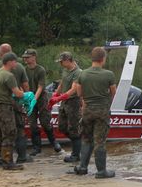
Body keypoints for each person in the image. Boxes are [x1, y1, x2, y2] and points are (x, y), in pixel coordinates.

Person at [0, 43, 33, 165]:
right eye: (15, 61)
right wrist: (29, 96)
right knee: (10, 133)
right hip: (6, 107)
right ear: (9, 61)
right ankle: (8, 161)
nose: (16, 64)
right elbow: (18, 92)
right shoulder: (9, 75)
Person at [72, 46, 117, 178]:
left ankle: (82, 167)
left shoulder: (82, 74)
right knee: (100, 141)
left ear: (92, 58)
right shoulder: (109, 74)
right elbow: (114, 93)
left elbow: (79, 92)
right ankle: (101, 171)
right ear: (103, 59)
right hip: (102, 111)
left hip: (87, 111)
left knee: (86, 139)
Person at [22, 49, 62, 157]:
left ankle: (54, 143)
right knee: (32, 124)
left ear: (34, 57)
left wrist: (34, 99)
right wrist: (27, 99)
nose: (26, 59)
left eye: (28, 57)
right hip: (29, 97)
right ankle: (36, 147)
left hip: (41, 97)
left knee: (45, 122)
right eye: (25, 57)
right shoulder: (24, 70)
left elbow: (40, 86)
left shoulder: (40, 70)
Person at [49, 51, 83, 163]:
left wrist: (59, 98)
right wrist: (56, 94)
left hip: (73, 102)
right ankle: (78, 144)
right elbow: (62, 83)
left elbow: (73, 89)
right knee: (62, 127)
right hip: (64, 102)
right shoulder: (65, 70)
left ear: (68, 60)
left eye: (61, 62)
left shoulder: (78, 72)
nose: (60, 64)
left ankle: (76, 155)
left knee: (74, 129)